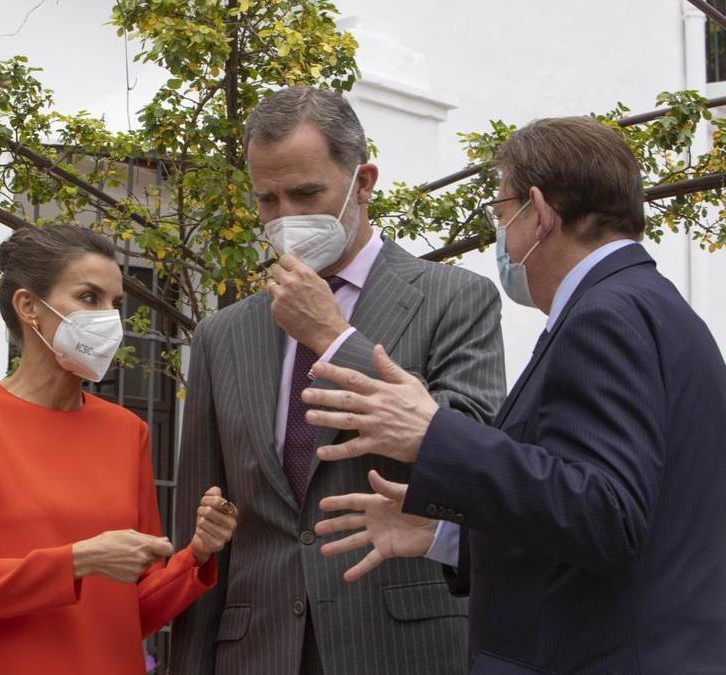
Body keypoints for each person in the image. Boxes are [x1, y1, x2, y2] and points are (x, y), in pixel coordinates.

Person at [308, 116, 726, 672]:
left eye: (502, 215)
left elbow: (608, 515)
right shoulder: (651, 305)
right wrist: (447, 533)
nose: (501, 237)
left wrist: (435, 435)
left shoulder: (606, 316)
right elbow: (598, 518)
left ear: (540, 212)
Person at [170, 86, 506, 675]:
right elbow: (203, 529)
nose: (286, 218)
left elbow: (469, 452)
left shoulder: (456, 299)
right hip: (256, 650)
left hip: (402, 647)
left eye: (306, 193)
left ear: (364, 181)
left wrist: (331, 337)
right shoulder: (223, 334)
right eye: (267, 199)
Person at [0, 224, 238, 675]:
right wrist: (79, 560)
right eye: (90, 298)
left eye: (115, 304)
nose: (110, 318)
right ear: (29, 307)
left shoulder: (128, 432)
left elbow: (134, 612)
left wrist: (197, 554)